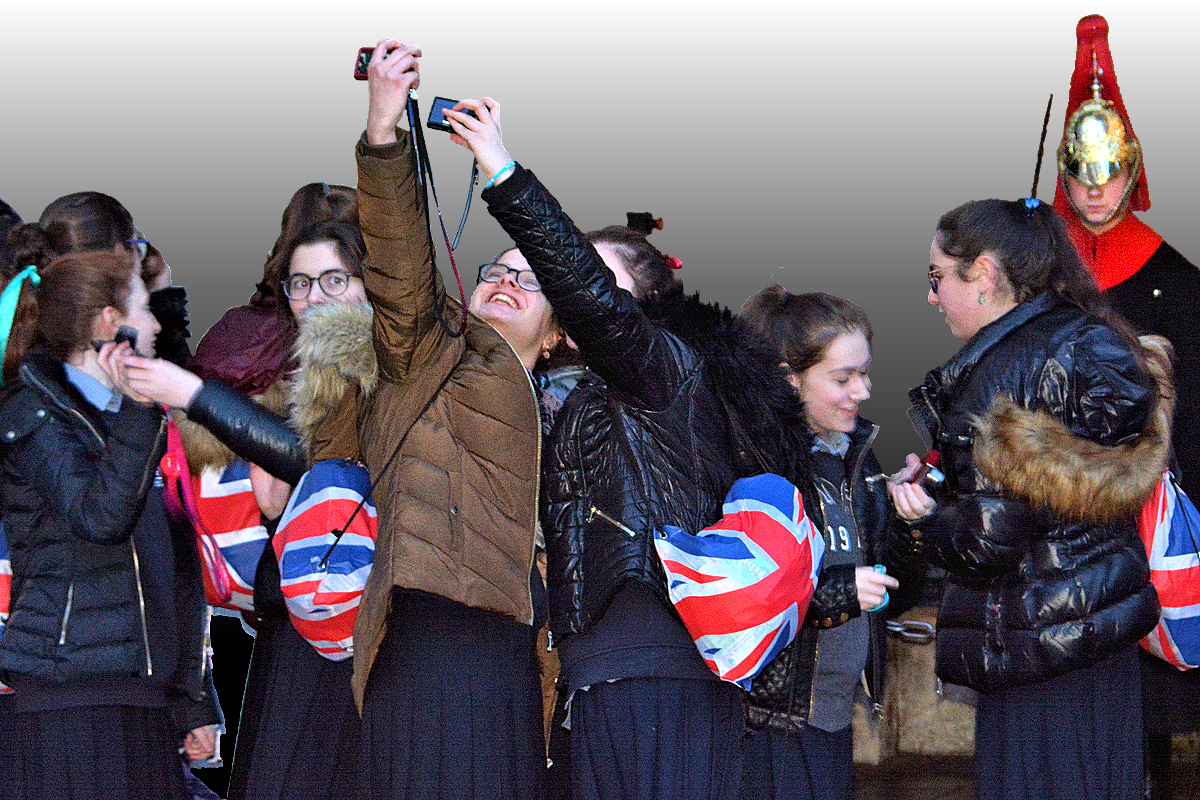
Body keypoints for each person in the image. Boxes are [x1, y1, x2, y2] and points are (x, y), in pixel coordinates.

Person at [444, 93, 814, 800]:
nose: (568, 290)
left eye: (590, 277)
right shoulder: (580, 395)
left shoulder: (663, 367)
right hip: (601, 674)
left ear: (637, 305)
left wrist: (500, 169)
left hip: (657, 670)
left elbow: (585, 297)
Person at [347, 42, 575, 799]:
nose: (506, 280)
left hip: (519, 670)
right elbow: (400, 262)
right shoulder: (427, 354)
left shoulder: (579, 415)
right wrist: (386, 129)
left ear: (558, 333)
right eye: (495, 270)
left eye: (530, 277)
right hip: (429, 652)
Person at [888, 197, 1168, 800]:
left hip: (1034, 650)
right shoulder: (1089, 339)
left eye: (938, 278)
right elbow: (1053, 504)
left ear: (984, 274)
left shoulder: (1000, 372)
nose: (932, 298)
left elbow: (988, 542)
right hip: (1101, 644)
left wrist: (924, 515)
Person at [0, 249, 214, 800]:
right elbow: (100, 518)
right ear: (107, 322)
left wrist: (194, 697)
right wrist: (142, 409)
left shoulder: (125, 414)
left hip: (140, 695)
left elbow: (177, 562)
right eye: (144, 308)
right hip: (71, 699)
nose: (158, 325)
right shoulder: (33, 411)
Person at [1052, 16, 1200, 797]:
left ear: (1131, 170)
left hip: (1143, 515)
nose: (1097, 189)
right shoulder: (1035, 269)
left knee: (1144, 712)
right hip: (1056, 514)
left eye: (1110, 173)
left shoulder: (1174, 281)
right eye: (1082, 174)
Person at [737, 287, 924, 800]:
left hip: (833, 715)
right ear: (787, 378)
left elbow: (897, 593)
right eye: (843, 378)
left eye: (864, 373)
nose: (862, 391)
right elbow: (747, 599)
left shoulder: (857, 458)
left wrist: (910, 520)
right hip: (772, 720)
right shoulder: (756, 466)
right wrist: (841, 592)